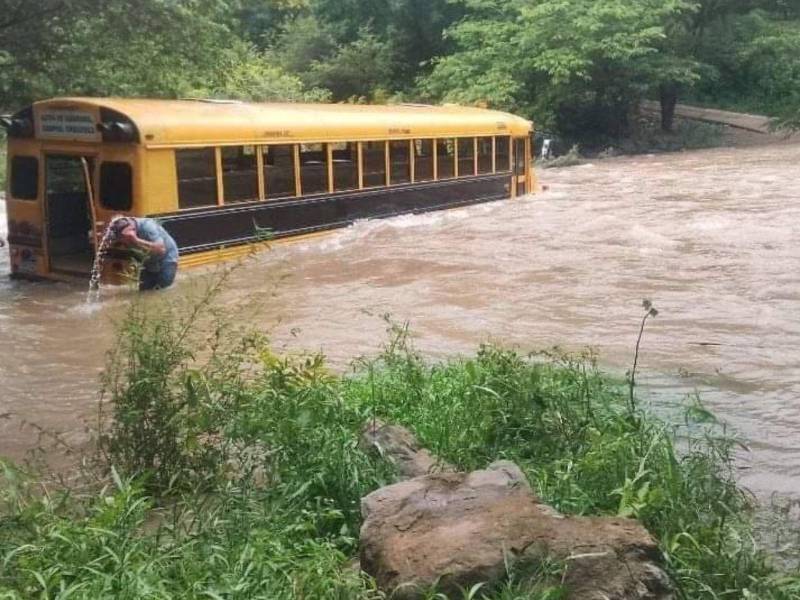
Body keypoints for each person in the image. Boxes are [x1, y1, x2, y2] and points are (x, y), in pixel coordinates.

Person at [110, 216, 179, 290]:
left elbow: (161, 249)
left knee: (162, 288)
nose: (122, 241)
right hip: (149, 260)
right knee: (144, 290)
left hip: (166, 258)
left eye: (122, 238)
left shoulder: (148, 227)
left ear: (132, 230)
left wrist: (136, 240)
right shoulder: (121, 230)